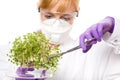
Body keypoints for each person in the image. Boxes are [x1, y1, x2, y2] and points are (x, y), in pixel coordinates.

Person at [5, 0, 120, 80]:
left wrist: (114, 27)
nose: (56, 23)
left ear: (76, 14)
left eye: (65, 18)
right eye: (49, 16)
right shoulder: (13, 50)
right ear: (39, 10)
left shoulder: (87, 52)